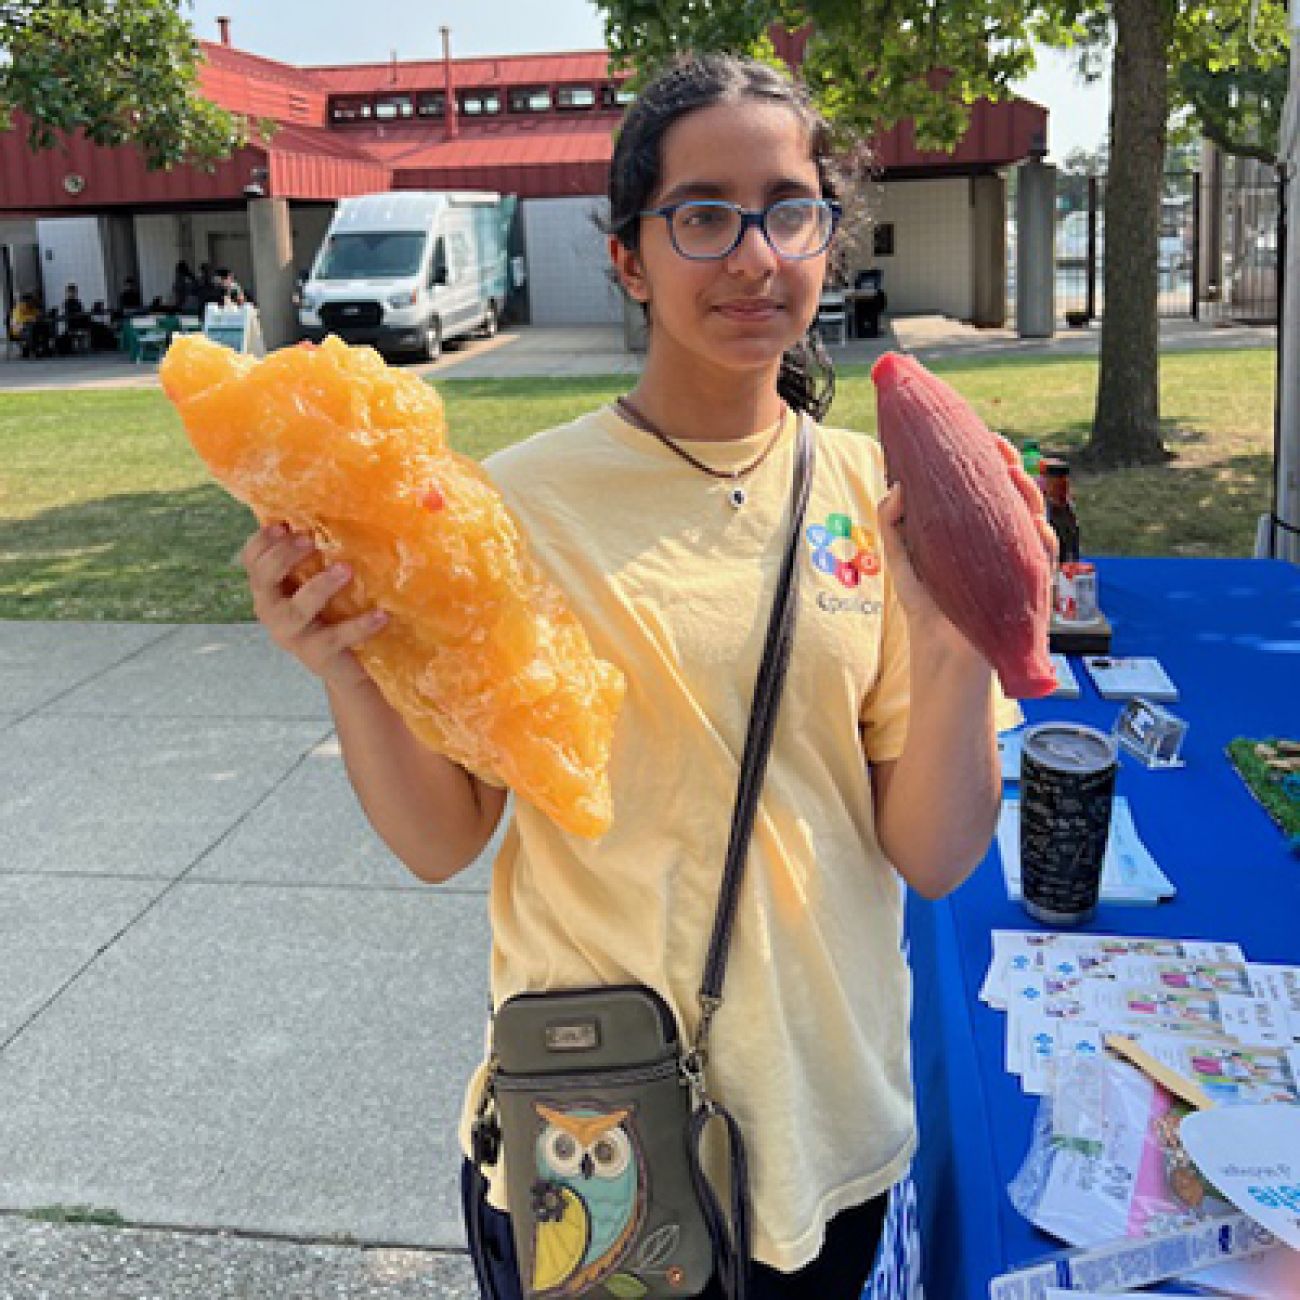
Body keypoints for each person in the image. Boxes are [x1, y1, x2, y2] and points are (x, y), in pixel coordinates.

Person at [238, 53, 1052, 1300]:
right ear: (629, 256)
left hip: (831, 1122)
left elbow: (936, 855)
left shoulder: (872, 497)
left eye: (789, 209)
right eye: (702, 214)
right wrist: (343, 669)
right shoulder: (507, 507)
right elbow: (443, 837)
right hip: (599, 1150)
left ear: (829, 237)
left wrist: (951, 640)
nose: (752, 255)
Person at [9, 291, 49, 357]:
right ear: (26, 301)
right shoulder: (19, 308)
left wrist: (39, 316)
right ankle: (34, 349)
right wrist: (32, 318)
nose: (33, 303)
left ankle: (43, 347)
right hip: (18, 331)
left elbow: (37, 315)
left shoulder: (32, 308)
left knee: (43, 327)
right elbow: (19, 319)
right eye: (31, 301)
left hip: (28, 328)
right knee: (32, 329)